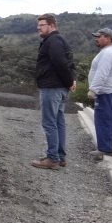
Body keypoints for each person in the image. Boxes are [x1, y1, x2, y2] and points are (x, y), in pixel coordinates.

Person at [32, 13, 77, 170]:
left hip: (52, 88)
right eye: (38, 26)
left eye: (42, 25)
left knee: (50, 123)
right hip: (60, 88)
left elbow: (60, 63)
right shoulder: (60, 41)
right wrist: (71, 80)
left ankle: (52, 159)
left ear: (52, 25)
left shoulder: (53, 41)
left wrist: (69, 81)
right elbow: (70, 63)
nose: (39, 28)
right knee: (58, 122)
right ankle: (60, 156)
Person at [87, 27, 112, 160]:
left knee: (103, 120)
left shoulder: (107, 53)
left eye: (99, 36)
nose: (96, 39)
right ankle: (106, 146)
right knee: (110, 120)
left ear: (108, 38)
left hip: (106, 92)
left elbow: (102, 72)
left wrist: (94, 89)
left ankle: (105, 148)